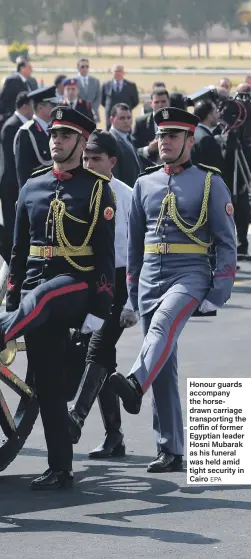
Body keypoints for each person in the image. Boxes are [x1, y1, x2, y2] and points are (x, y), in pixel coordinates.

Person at [109, 107, 237, 473]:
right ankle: (171, 448)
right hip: (150, 277)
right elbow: (135, 245)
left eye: (173, 136)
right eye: (162, 136)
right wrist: (133, 291)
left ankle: (133, 382)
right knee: (162, 364)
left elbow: (226, 241)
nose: (165, 143)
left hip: (190, 275)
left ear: (189, 141)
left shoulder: (209, 182)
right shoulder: (145, 184)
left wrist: (220, 289)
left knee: (163, 325)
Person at [0, 107, 116, 489]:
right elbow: (17, 252)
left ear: (82, 143)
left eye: (66, 136)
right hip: (34, 289)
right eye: (54, 135)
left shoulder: (98, 189)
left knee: (47, 296)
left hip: (75, 285)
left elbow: (104, 254)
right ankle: (60, 467)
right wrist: (13, 299)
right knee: (47, 382)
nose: (57, 141)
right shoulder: (31, 186)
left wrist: (101, 308)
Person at [68, 130, 137, 458]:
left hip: (120, 282)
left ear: (112, 161)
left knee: (98, 346)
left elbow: (137, 251)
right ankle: (114, 436)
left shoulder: (126, 196)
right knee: (100, 356)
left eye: (96, 159)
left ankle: (76, 417)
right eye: (85, 158)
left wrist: (132, 300)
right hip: (86, 282)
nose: (89, 164)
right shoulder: (75, 192)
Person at [0, 92, 33, 262]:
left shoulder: (22, 125)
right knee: (13, 231)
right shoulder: (12, 126)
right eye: (32, 105)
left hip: (15, 185)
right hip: (10, 187)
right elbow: (11, 162)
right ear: (24, 106)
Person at [14, 86, 56, 189]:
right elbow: (22, 171)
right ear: (40, 107)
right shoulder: (26, 132)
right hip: (35, 190)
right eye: (53, 105)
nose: (56, 108)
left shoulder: (54, 129)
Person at [133, 88, 170, 165]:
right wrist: (148, 149)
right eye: (156, 102)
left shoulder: (177, 121)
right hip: (148, 168)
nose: (160, 105)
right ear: (151, 103)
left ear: (169, 102)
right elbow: (133, 149)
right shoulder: (140, 122)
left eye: (163, 101)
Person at [109, 103, 141, 187]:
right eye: (122, 118)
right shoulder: (111, 141)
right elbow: (114, 176)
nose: (126, 121)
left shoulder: (127, 136)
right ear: (112, 120)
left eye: (129, 117)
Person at [101, 65, 139, 130]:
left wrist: (125, 109)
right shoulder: (106, 85)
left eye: (119, 71)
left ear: (123, 73)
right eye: (115, 71)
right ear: (112, 72)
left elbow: (135, 101)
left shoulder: (131, 85)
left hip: (125, 118)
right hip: (110, 117)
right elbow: (102, 100)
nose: (117, 73)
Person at [192, 100, 224, 172]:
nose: (218, 115)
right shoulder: (206, 139)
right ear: (209, 116)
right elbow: (215, 169)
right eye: (216, 112)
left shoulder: (191, 132)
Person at [75, 58, 101, 123]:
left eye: (87, 66)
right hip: (78, 114)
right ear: (78, 67)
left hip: (93, 114)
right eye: (82, 67)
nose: (85, 69)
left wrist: (91, 108)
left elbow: (98, 97)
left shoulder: (95, 81)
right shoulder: (73, 81)